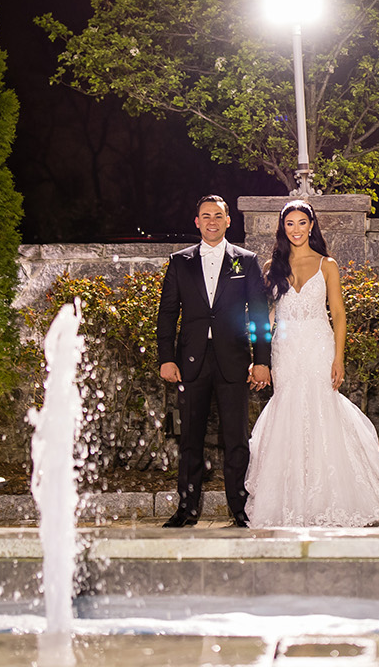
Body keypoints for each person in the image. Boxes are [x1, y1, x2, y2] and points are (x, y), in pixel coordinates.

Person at [245, 200, 379, 527]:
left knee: (321, 410)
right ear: (283, 228)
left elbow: (339, 315)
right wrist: (258, 358)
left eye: (302, 222)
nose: (296, 229)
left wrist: (338, 357)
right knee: (288, 411)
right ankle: (292, 501)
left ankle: (329, 497)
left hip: (319, 346)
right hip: (286, 350)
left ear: (311, 226)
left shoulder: (327, 264)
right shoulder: (272, 266)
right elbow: (269, 315)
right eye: (290, 223)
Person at [156, 195, 272, 527]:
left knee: (236, 439)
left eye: (218, 216)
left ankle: (240, 508)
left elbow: (259, 314)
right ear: (197, 221)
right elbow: (167, 314)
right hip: (191, 361)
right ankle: (187, 509)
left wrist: (261, 360)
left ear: (228, 221)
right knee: (189, 439)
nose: (212, 221)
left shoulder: (246, 261)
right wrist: (166, 358)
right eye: (206, 216)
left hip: (233, 360)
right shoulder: (180, 262)